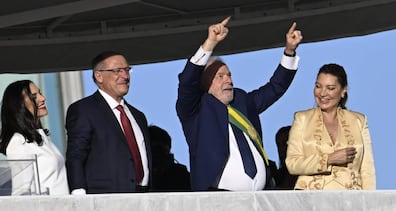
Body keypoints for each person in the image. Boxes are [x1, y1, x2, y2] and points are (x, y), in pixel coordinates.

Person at [176, 16, 302, 191]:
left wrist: (289, 51)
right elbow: (187, 82)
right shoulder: (195, 109)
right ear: (205, 83)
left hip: (260, 199)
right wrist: (210, 43)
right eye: (220, 76)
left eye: (229, 75)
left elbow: (275, 88)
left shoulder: (242, 100)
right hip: (218, 199)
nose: (228, 80)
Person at [65, 51, 152, 194]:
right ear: (99, 76)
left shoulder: (138, 116)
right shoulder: (84, 110)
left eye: (127, 70)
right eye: (117, 71)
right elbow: (76, 154)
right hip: (105, 198)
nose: (125, 76)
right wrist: (78, 192)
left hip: (143, 196)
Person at [285, 63, 376, 190]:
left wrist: (370, 204)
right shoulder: (302, 118)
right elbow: (292, 164)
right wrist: (328, 159)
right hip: (310, 200)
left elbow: (368, 171)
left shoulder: (359, 121)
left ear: (343, 90)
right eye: (318, 86)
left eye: (330, 88)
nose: (322, 93)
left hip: (351, 201)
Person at [0, 80, 69, 195]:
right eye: (34, 96)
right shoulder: (19, 142)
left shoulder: (42, 139)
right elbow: (21, 192)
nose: (43, 98)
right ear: (19, 104)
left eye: (40, 93)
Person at [149, 125, 191, 192]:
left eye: (160, 149)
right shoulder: (180, 175)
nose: (157, 154)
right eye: (153, 149)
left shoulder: (180, 175)